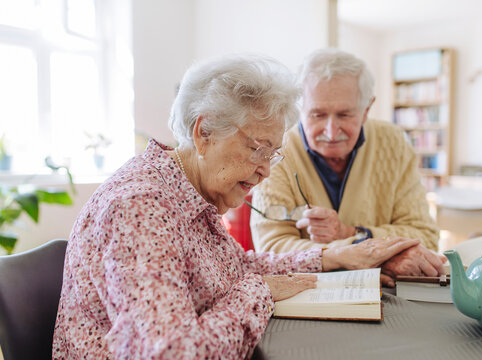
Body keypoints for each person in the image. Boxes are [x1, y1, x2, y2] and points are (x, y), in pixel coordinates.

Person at [52, 54, 422, 359]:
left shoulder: (184, 186)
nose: (264, 169)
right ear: (204, 132)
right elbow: (170, 354)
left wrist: (331, 258)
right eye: (257, 149)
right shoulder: (140, 206)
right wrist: (260, 291)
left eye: (272, 153)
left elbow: (233, 264)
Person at [250, 48, 445, 281]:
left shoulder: (393, 142)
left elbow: (425, 235)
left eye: (344, 115)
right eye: (318, 115)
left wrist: (351, 233)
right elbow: (270, 249)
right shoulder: (278, 149)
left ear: (366, 110)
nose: (331, 132)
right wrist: (375, 256)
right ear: (300, 110)